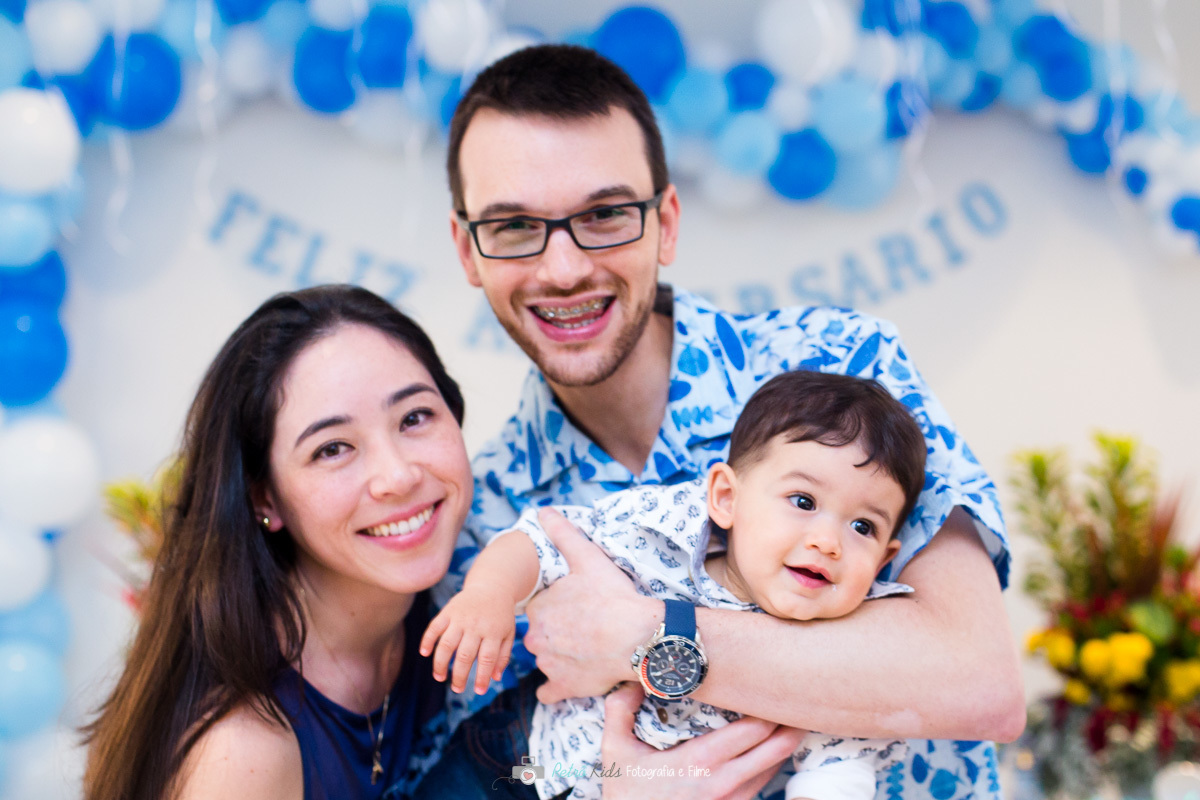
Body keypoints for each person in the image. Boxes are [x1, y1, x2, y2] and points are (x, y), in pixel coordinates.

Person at [444, 43, 1025, 800]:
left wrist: (645, 638)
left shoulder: (842, 367)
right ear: (468, 250)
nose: (562, 268)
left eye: (607, 214)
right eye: (514, 226)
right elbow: (498, 771)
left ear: (667, 224)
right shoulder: (484, 517)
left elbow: (977, 682)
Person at [425, 371, 927, 800]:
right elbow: (539, 541)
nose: (828, 542)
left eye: (863, 527)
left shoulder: (855, 651)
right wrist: (488, 594)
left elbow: (840, 770)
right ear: (726, 497)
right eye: (803, 501)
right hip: (526, 758)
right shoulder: (660, 533)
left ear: (884, 559)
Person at [82, 285, 472, 800]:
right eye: (333, 449)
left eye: (415, 417)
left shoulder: (480, 579)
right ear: (265, 499)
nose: (397, 476)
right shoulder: (241, 754)